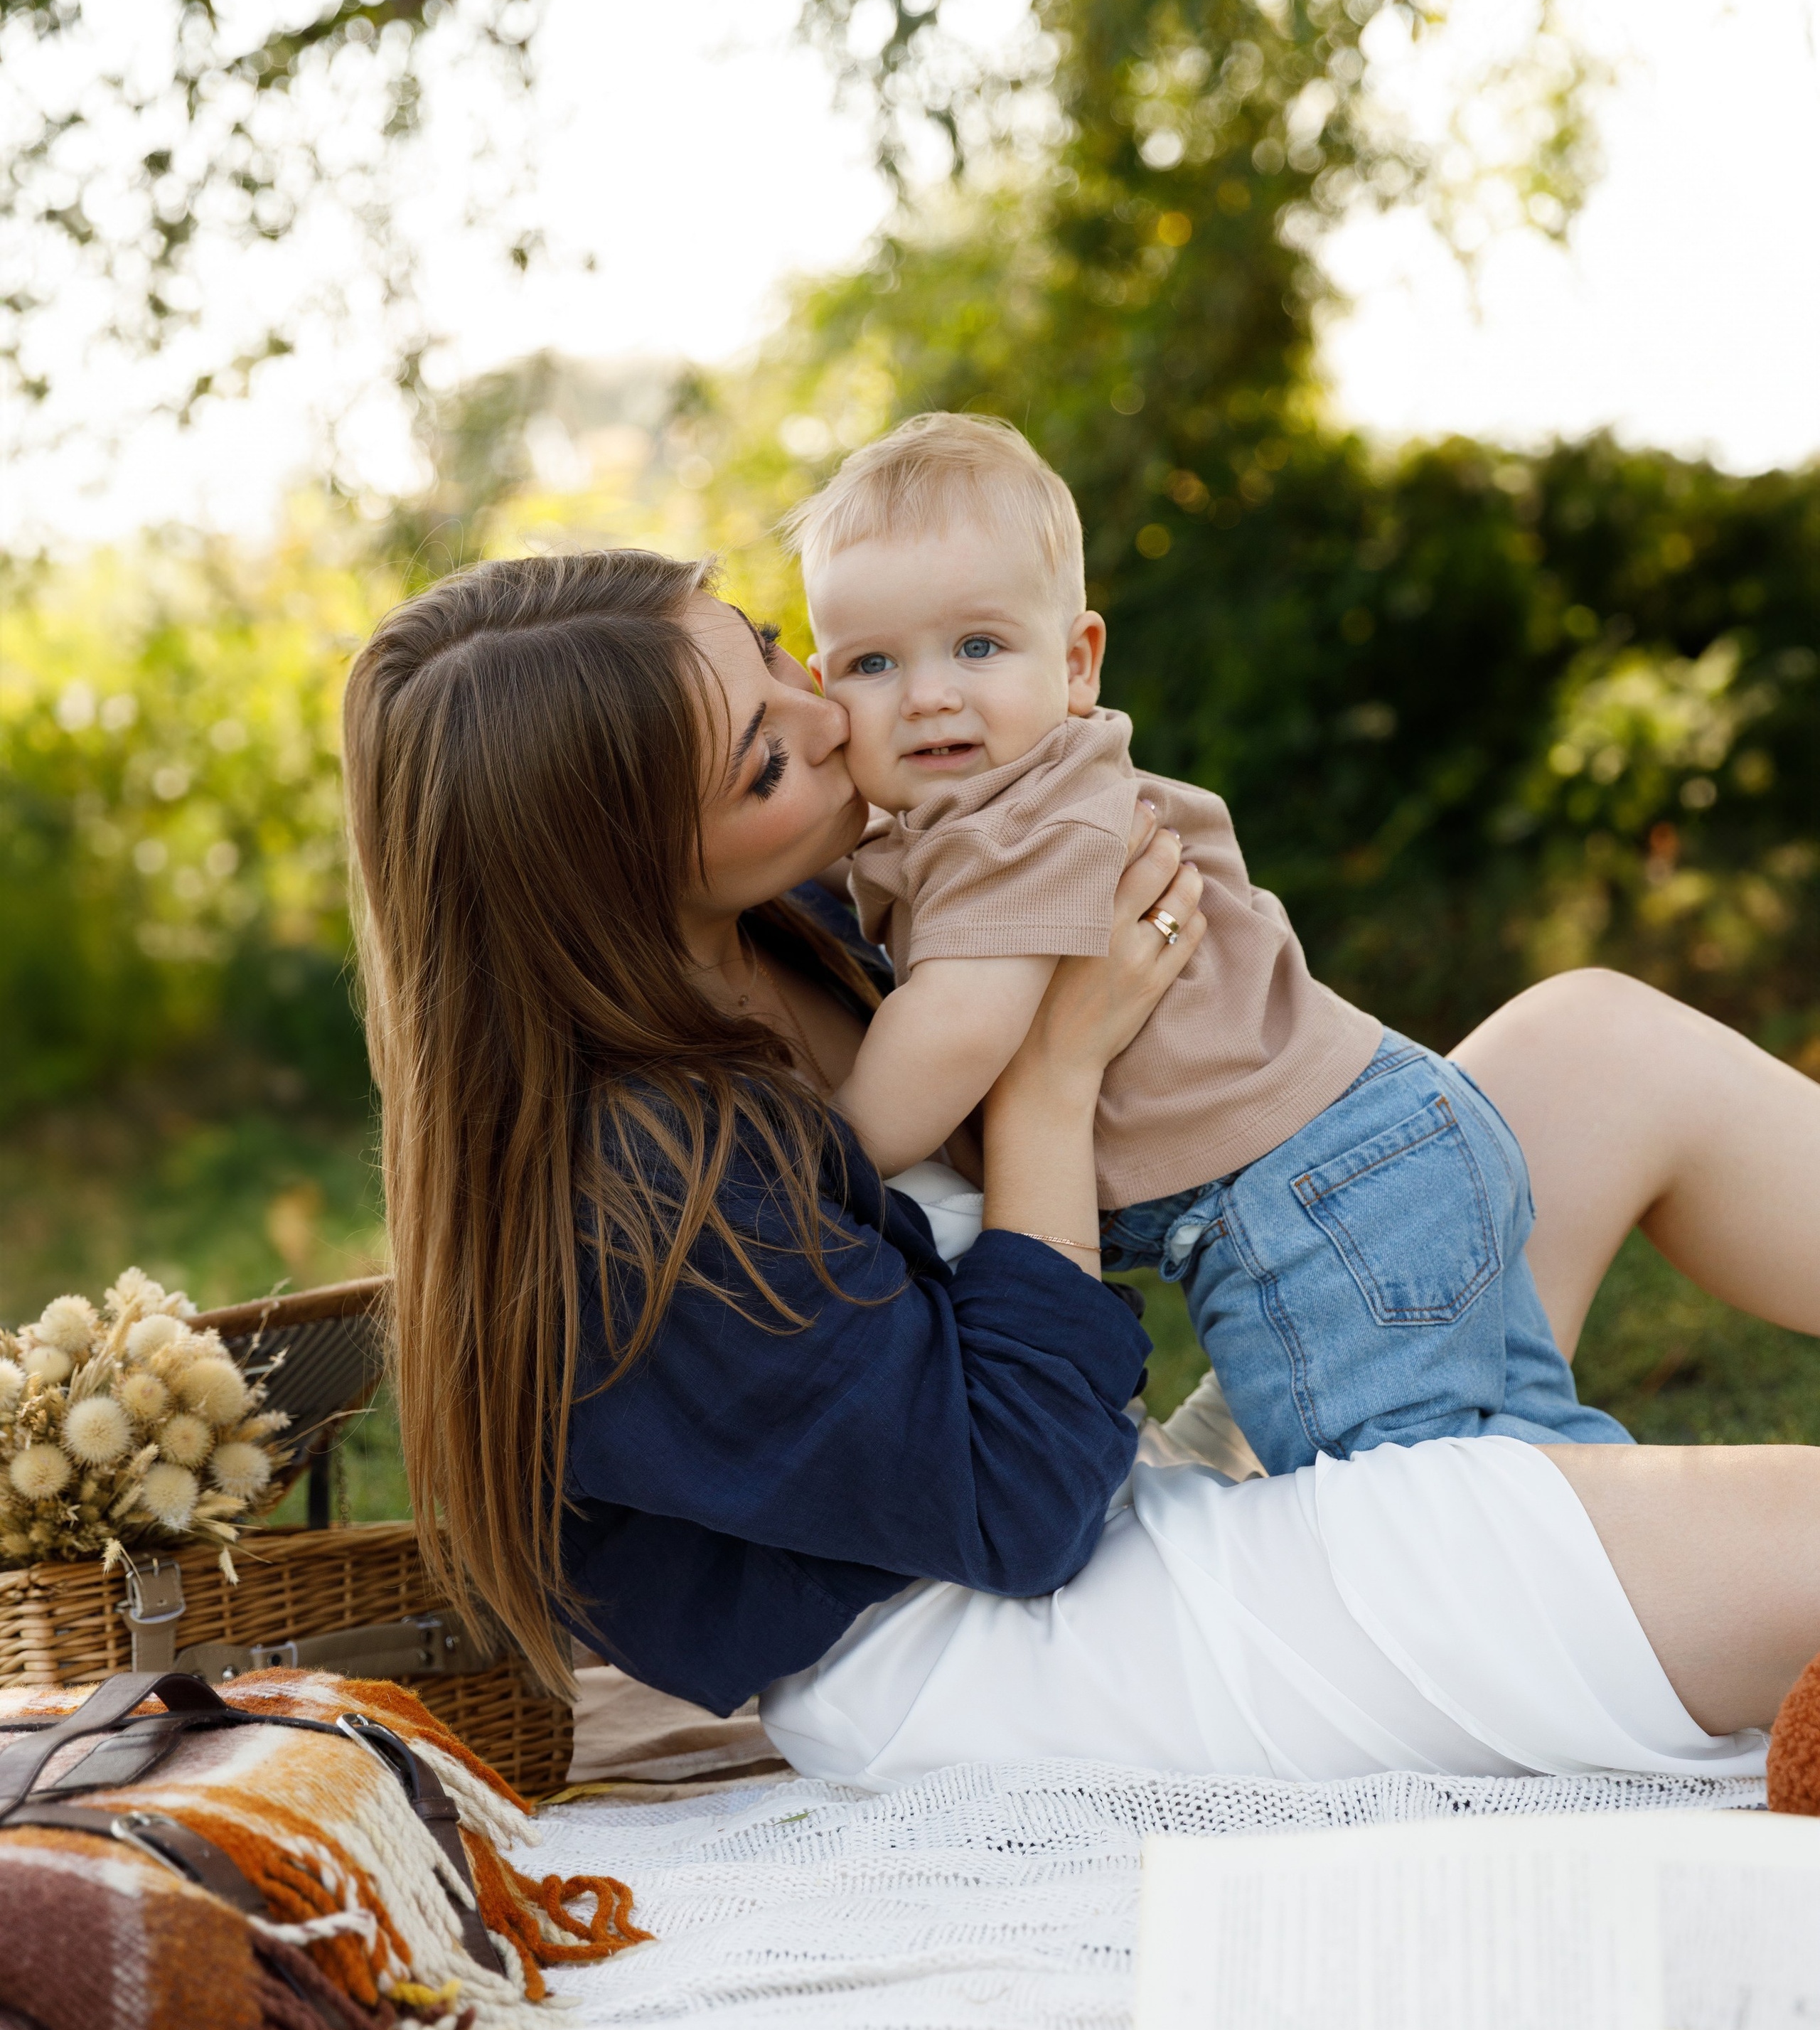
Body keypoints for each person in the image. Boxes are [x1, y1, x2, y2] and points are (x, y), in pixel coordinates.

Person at [341, 547, 1820, 1792]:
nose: (830, 710)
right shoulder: (632, 1199)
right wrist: (1048, 1078)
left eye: (775, 649)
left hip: (1113, 1491)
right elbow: (1017, 1510)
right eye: (766, 760)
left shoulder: (795, 923)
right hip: (1017, 1639)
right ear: (615, 886)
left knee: (1589, 1049)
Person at [794, 410, 1626, 1477]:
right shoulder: (999, 805)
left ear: (1077, 662)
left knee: (1415, 1511)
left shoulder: (1018, 822)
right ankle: (1718, 1564)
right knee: (1539, 1462)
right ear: (825, 696)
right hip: (1376, 1148)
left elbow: (956, 1030)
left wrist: (812, 1160)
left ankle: (1751, 1556)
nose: (928, 695)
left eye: (978, 646)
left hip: (1308, 1198)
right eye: (872, 663)